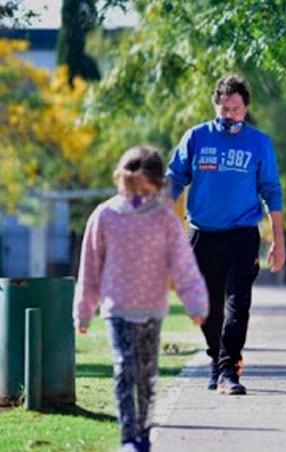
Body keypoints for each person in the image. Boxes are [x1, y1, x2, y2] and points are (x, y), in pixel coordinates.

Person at [73, 145, 209, 452]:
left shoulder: (164, 219)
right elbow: (90, 265)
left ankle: (144, 432)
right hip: (117, 308)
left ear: (159, 185)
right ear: (121, 180)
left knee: (147, 373)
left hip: (152, 308)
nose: (138, 197)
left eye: (146, 190)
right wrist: (83, 311)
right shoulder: (105, 216)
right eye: (132, 188)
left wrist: (196, 303)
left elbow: (183, 264)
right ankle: (128, 437)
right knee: (124, 369)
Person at [167, 73, 285, 395]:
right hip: (203, 234)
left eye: (236, 108)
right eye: (224, 108)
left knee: (238, 303)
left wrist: (279, 239)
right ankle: (216, 359)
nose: (230, 114)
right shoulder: (196, 137)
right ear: (215, 105)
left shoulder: (259, 142)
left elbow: (271, 190)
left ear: (246, 109)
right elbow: (174, 178)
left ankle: (229, 369)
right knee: (207, 307)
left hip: (243, 234)